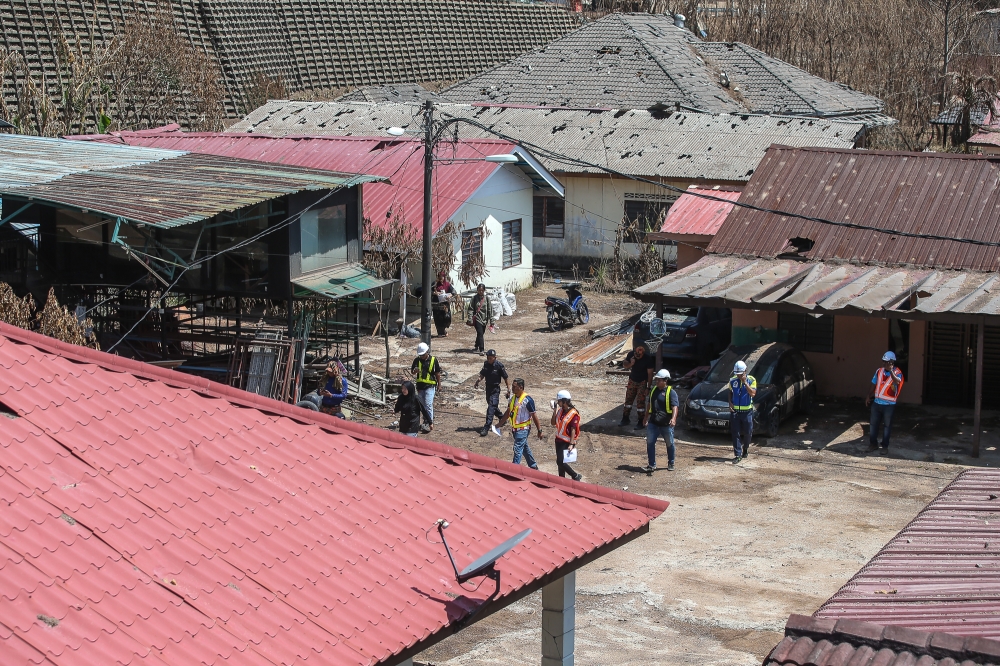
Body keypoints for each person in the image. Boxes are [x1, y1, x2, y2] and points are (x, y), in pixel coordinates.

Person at [498, 378, 542, 469]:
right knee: (524, 448)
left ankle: (514, 470)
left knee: (517, 449)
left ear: (521, 387)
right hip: (515, 429)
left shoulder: (528, 400)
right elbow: (508, 411)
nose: (512, 389)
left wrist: (539, 430)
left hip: (523, 429)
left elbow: (534, 416)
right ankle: (533, 466)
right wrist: (499, 424)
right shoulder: (512, 398)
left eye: (514, 387)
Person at [866, 351, 904, 456]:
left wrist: (891, 371)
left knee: (887, 426)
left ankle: (885, 446)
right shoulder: (879, 371)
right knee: (873, 425)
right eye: (883, 362)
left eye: (886, 362)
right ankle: (873, 444)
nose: (884, 364)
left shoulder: (897, 372)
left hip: (889, 405)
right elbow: (873, 384)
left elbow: (897, 381)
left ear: (892, 362)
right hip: (877, 403)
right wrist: (868, 396)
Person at [643, 369, 678, 473]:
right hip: (653, 422)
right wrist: (645, 418)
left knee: (670, 443)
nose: (657, 382)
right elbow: (649, 404)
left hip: (666, 424)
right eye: (656, 380)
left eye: (659, 380)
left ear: (665, 380)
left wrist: (673, 418)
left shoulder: (671, 392)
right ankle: (651, 465)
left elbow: (675, 407)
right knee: (650, 443)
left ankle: (671, 462)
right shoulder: (654, 390)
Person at [474, 349, 510, 436]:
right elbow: (483, 374)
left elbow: (505, 378)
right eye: (488, 358)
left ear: (495, 358)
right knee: (491, 404)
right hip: (488, 388)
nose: (489, 360)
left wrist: (508, 389)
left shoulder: (499, 366)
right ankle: (502, 417)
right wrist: (478, 380)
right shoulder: (486, 364)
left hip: (495, 389)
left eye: (491, 358)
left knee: (491, 407)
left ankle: (486, 427)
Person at [550, 389, 583, 481]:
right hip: (558, 440)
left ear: (564, 401)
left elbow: (573, 429)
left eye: (559, 401)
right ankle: (562, 480)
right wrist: (554, 411)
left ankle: (575, 476)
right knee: (560, 463)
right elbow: (553, 423)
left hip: (566, 441)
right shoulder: (560, 411)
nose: (558, 403)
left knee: (560, 461)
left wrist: (571, 444)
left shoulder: (573, 414)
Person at [729, 360, 757, 463]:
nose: (739, 376)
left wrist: (745, 382)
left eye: (741, 374)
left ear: (745, 371)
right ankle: (737, 455)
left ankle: (746, 447)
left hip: (747, 412)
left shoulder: (751, 380)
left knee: (748, 432)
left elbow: (753, 393)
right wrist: (730, 403)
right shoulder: (732, 380)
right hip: (735, 412)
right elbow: (730, 392)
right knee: (735, 433)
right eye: (737, 374)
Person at [621, 344, 655, 429]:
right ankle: (625, 418)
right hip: (632, 380)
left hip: (642, 382)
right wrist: (630, 364)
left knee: (640, 402)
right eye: (636, 354)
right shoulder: (631, 354)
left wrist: (648, 387)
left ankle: (641, 421)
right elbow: (624, 364)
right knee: (628, 400)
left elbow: (650, 374)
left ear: (643, 353)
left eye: (639, 355)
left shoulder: (648, 359)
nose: (637, 356)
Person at [411, 342, 442, 432]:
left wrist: (439, 384)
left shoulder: (433, 360)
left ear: (427, 352)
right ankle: (427, 419)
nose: (421, 356)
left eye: (423, 355)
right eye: (420, 355)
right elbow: (412, 372)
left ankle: (428, 422)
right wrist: (415, 371)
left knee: (428, 404)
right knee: (422, 405)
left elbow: (437, 373)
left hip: (430, 386)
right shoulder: (416, 360)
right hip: (420, 386)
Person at [468, 283, 493, 355]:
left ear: (484, 290)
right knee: (480, 333)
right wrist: (470, 318)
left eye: (482, 290)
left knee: (481, 333)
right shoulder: (474, 298)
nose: (480, 292)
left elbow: (490, 310)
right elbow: (470, 309)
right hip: (477, 319)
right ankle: (481, 349)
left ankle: (476, 344)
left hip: (484, 319)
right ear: (477, 290)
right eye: (479, 290)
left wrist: (492, 320)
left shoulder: (487, 299)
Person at [431, 271, 457, 338]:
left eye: (442, 276)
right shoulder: (435, 284)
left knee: (446, 318)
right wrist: (435, 293)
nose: (441, 278)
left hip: (445, 304)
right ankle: (440, 332)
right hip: (437, 304)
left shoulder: (447, 284)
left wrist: (450, 295)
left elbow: (454, 291)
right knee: (438, 319)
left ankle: (443, 330)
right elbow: (429, 291)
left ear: (444, 277)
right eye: (439, 276)